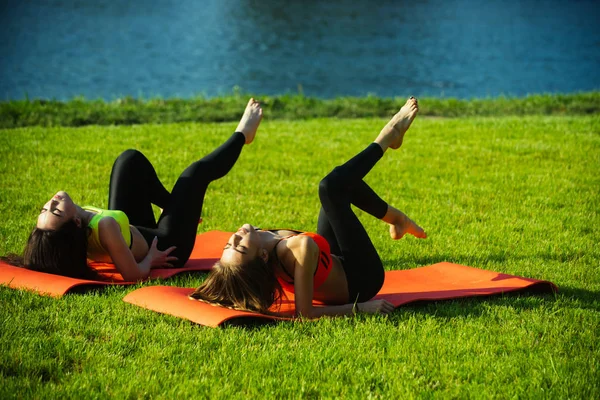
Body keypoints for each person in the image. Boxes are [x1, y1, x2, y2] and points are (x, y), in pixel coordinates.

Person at [190, 97, 427, 318]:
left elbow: (235, 278)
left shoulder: (262, 242)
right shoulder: (297, 248)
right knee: (331, 186)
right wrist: (361, 307)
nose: (235, 238)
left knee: (338, 187)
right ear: (262, 256)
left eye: (229, 243)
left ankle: (398, 220)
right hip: (361, 279)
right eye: (240, 248)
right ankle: (389, 135)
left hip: (333, 259)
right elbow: (305, 314)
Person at [10, 99, 263, 281]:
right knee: (194, 174)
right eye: (55, 211)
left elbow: (57, 243)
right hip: (167, 245)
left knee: (128, 161)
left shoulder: (77, 232)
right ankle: (242, 134)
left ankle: (172, 205)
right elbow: (133, 275)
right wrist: (151, 260)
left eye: (45, 207)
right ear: (75, 222)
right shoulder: (105, 227)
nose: (51, 202)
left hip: (134, 231)